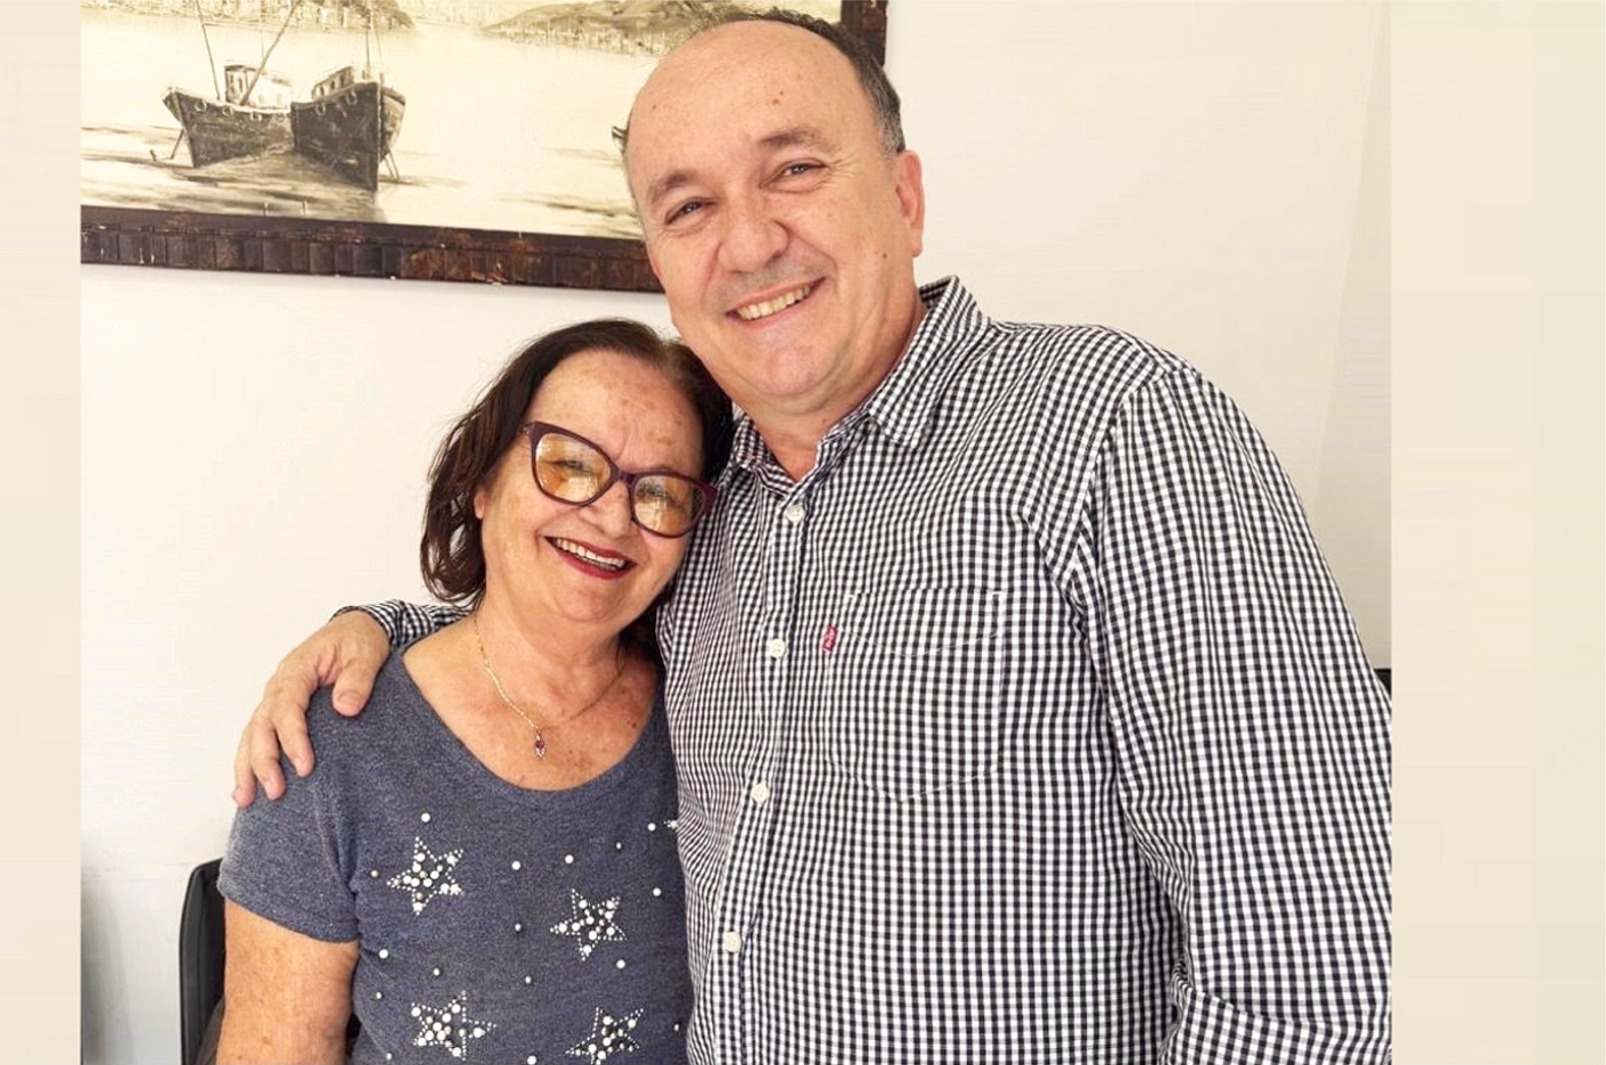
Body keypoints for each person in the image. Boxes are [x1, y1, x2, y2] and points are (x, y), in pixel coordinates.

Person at [235, 10, 1392, 1064]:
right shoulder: (704, 502)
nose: (748, 243)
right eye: (689, 207)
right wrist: (372, 631)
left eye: (792, 168)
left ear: (906, 197)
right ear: (660, 265)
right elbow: (559, 611)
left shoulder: (1115, 435)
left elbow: (1324, 975)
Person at [216, 318, 733, 1064]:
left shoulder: (718, 714)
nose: (613, 516)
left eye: (660, 492)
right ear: (483, 479)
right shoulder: (329, 745)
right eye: (570, 463)